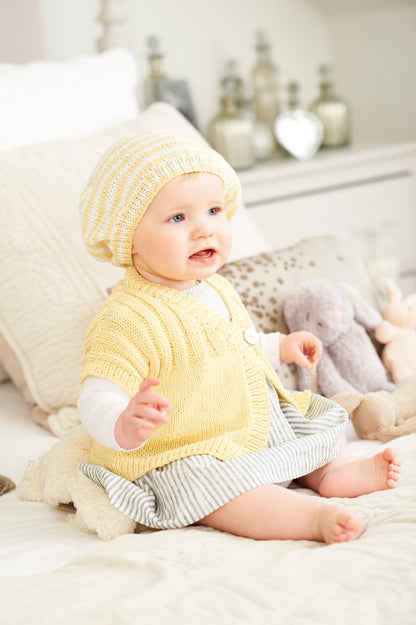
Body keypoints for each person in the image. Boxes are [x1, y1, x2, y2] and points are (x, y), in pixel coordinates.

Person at [77, 131, 401, 544]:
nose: (204, 230)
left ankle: (333, 473)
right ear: (128, 235)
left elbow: (233, 342)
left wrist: (278, 345)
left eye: (214, 211)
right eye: (178, 218)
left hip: (249, 420)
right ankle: (309, 518)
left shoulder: (215, 286)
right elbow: (95, 395)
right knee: (212, 488)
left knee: (316, 417)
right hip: (187, 447)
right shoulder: (125, 317)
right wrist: (122, 423)